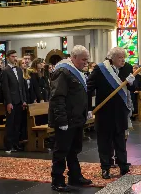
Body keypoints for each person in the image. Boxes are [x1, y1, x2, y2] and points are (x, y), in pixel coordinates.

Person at [49, 45, 92, 192]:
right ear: (73, 58)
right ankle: (57, 179)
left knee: (74, 150)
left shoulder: (76, 71)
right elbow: (58, 97)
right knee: (61, 150)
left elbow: (80, 95)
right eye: (83, 60)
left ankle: (75, 176)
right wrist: (61, 121)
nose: (86, 62)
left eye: (87, 59)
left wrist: (86, 111)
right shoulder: (63, 71)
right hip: (66, 119)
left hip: (76, 118)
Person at [87, 47, 135, 179]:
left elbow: (133, 88)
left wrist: (132, 83)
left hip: (120, 111)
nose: (123, 60)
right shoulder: (100, 69)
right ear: (112, 58)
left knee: (120, 141)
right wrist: (88, 108)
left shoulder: (127, 68)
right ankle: (105, 167)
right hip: (104, 112)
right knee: (104, 142)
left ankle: (123, 166)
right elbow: (89, 88)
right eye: (120, 57)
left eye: (124, 57)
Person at [1, 50, 27, 153]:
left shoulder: (19, 70)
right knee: (10, 124)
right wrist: (8, 102)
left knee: (17, 124)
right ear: (8, 58)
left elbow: (22, 87)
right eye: (12, 56)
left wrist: (24, 100)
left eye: (16, 56)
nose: (15, 58)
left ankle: (16, 144)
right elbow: (6, 88)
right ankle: (8, 145)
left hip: (19, 100)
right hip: (11, 101)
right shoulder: (5, 70)